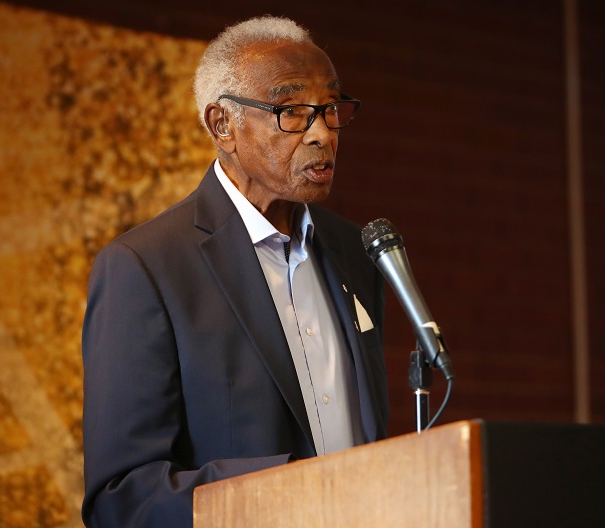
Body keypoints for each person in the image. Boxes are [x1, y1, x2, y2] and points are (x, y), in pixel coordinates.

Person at [81, 15, 388, 528]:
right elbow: (123, 497)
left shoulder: (357, 252)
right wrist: (291, 490)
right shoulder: (146, 267)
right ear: (223, 125)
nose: (322, 134)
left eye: (331, 108)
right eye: (292, 112)